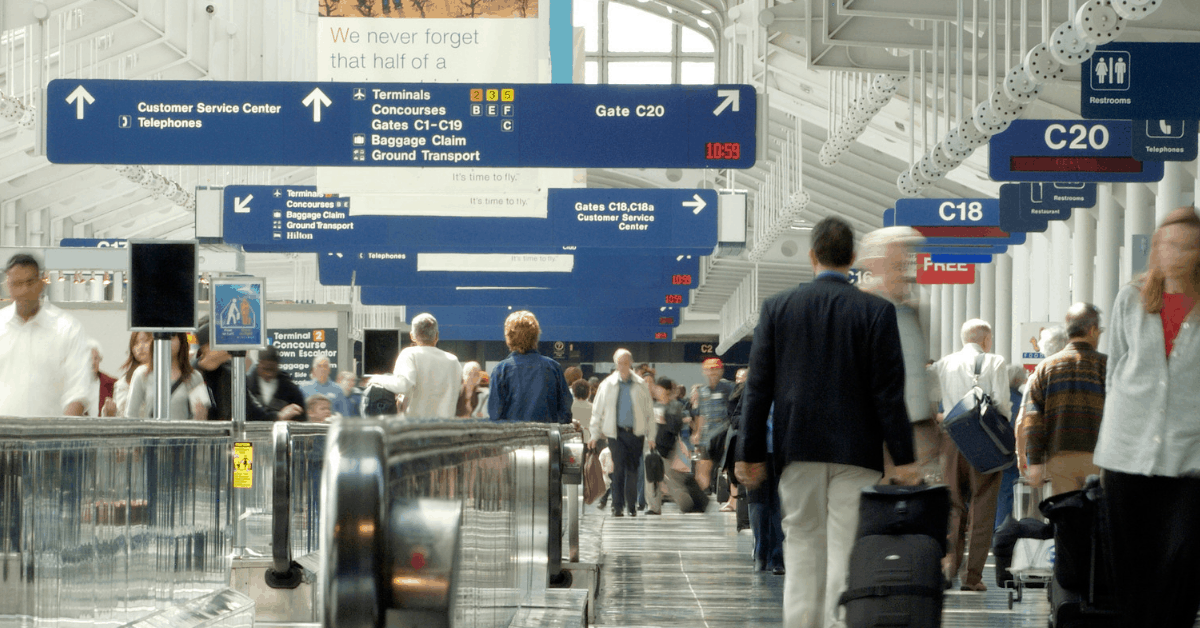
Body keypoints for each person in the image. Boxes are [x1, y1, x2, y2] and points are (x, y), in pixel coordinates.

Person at [735, 217, 915, 628]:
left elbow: (758, 388)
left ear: (812, 256)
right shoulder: (877, 311)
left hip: (798, 449)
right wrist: (904, 457)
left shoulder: (778, 308)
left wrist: (749, 453)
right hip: (857, 452)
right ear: (852, 259)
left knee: (800, 545)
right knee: (846, 549)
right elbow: (889, 392)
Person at [1094, 207, 1200, 628]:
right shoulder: (1131, 298)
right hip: (1128, 455)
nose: (1171, 252)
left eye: (1183, 245)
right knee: (1133, 570)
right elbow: (1115, 371)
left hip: (1190, 458)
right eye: (1165, 243)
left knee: (1183, 560)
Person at [931, 318, 1014, 592]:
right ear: (986, 340)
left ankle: (948, 568)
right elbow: (1001, 403)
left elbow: (933, 402)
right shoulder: (995, 362)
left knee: (953, 505)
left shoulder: (944, 363)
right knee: (983, 505)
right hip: (984, 440)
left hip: (952, 439)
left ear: (962, 338)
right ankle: (972, 578)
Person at [859, 227, 942, 484]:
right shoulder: (861, 305)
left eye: (908, 258)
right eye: (898, 260)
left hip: (917, 429)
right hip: (875, 429)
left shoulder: (914, 309)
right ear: (874, 263)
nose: (907, 265)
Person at [1022, 303, 1107, 496]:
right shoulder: (1106, 365)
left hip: (1059, 459)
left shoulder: (1045, 368)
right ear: (1093, 330)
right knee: (1098, 519)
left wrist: (1035, 462)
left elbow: (1033, 419)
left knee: (1065, 515)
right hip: (1099, 459)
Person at [0, 253, 90, 417]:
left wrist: (61, 436)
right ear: (8, 286)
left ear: (41, 282)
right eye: (17, 284)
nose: (24, 290)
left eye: (30, 282)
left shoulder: (67, 329)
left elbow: (78, 391)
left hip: (49, 438)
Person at [588, 349, 654, 517]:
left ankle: (631, 505)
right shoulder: (608, 384)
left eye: (626, 362)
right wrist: (594, 435)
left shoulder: (640, 384)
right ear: (615, 364)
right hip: (616, 433)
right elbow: (597, 410)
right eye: (620, 363)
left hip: (636, 433)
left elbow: (649, 412)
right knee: (617, 469)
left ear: (631, 363)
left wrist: (651, 436)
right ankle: (617, 506)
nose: (624, 366)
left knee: (633, 469)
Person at [488, 311, 571, 423]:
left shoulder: (501, 370)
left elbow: (495, 415)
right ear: (536, 336)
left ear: (509, 337)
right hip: (546, 438)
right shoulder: (553, 368)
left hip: (513, 438)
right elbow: (565, 411)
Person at [376, 313, 461, 418]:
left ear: (412, 336)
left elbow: (402, 385)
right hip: (445, 428)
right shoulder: (453, 361)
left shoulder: (409, 354)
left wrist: (377, 379)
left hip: (416, 428)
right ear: (437, 336)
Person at [126, 332, 210, 420]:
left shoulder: (194, 377)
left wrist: (199, 416)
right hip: (150, 432)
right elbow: (131, 414)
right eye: (161, 336)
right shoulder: (141, 374)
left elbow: (202, 416)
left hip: (182, 433)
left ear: (181, 341)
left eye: (172, 336)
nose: (166, 341)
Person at [994, 364, 1028, 529]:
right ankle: (1001, 529)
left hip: (994, 451)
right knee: (1007, 493)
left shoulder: (996, 398)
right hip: (1012, 452)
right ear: (1017, 380)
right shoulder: (1022, 400)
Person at [693, 357, 734, 491]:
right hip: (707, 437)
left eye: (715, 370)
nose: (712, 373)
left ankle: (732, 499)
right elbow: (701, 414)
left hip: (724, 434)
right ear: (704, 371)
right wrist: (697, 433)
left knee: (727, 468)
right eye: (709, 370)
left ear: (721, 371)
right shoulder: (702, 391)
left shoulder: (729, 388)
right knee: (703, 467)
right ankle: (701, 499)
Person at [247, 346, 307, 421]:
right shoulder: (246, 385)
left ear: (278, 366)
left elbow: (301, 417)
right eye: (265, 369)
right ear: (259, 363)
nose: (269, 374)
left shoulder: (290, 389)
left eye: (272, 369)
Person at [114, 332, 152, 417]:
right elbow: (122, 414)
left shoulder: (168, 375)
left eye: (146, 341)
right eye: (136, 343)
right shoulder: (124, 383)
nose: (140, 347)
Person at [87, 340, 118, 417]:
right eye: (89, 359)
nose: (93, 362)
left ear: (100, 360)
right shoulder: (75, 384)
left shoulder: (112, 383)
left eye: (96, 358)